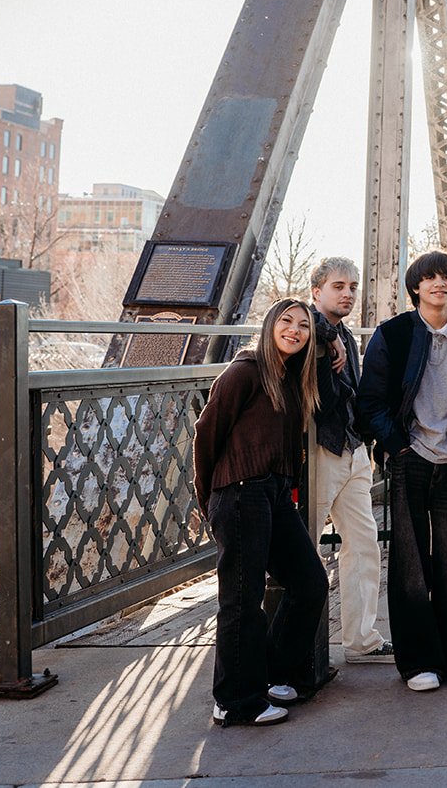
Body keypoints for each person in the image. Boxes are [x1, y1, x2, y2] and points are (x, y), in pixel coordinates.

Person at [355, 250, 447, 692]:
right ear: (415, 287)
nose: (440, 283)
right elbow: (369, 403)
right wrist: (396, 446)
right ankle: (418, 662)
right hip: (410, 459)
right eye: (430, 278)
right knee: (411, 565)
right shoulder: (393, 335)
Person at [193, 297, 330, 726]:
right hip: (238, 494)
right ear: (270, 325)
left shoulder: (292, 379)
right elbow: (206, 435)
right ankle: (234, 701)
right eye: (286, 321)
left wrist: (334, 343)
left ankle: (271, 673)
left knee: (310, 583)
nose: (294, 330)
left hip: (273, 496)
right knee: (242, 598)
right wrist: (209, 496)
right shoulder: (245, 372)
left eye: (304, 326)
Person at [308, 256, 393, 666]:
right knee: (304, 549)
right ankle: (298, 650)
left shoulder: (348, 339)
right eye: (339, 286)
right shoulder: (307, 328)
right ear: (317, 291)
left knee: (363, 545)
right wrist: (327, 334)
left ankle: (361, 640)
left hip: (353, 451)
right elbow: (292, 318)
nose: (348, 293)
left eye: (353, 286)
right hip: (319, 453)